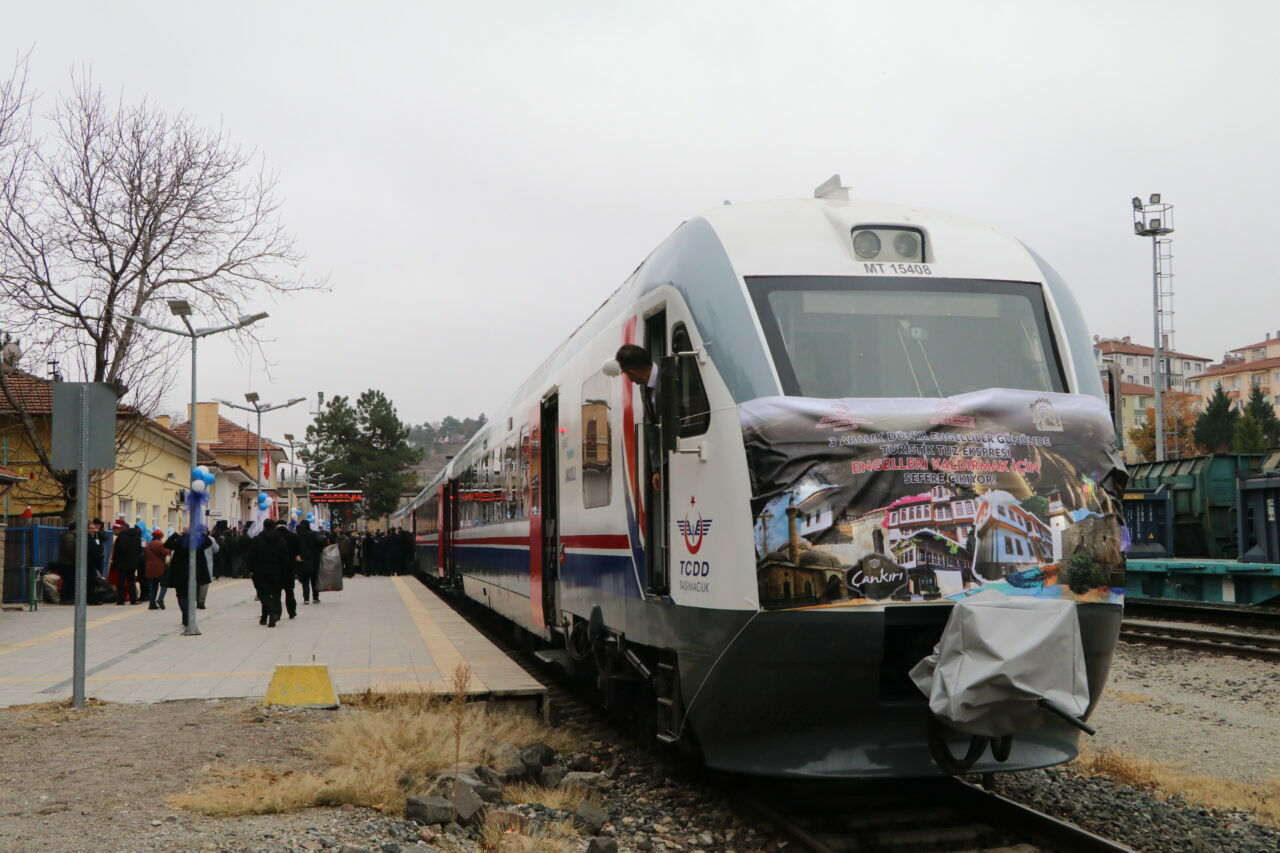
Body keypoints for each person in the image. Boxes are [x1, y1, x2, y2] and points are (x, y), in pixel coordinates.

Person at [616, 343, 663, 490]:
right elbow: (651, 428)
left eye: (626, 374)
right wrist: (658, 468)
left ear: (633, 372)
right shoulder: (644, 387)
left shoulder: (670, 375)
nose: (630, 381)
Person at [164, 526, 213, 628]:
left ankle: (185, 614)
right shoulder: (198, 541)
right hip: (196, 573)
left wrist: (176, 534)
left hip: (180, 573)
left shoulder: (180, 540)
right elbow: (209, 542)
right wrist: (201, 533)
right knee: (193, 595)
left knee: (181, 595)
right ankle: (188, 615)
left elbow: (167, 544)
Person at [248, 519, 291, 627]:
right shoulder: (281, 540)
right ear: (274, 527)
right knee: (275, 593)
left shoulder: (257, 540)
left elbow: (252, 556)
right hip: (277, 571)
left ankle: (272, 613)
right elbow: (285, 557)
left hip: (260, 570)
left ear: (264, 526)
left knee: (263, 594)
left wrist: (250, 569)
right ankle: (265, 617)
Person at [110, 519, 144, 605]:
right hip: (133, 563)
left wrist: (116, 561)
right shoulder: (136, 536)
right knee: (131, 581)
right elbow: (140, 550)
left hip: (122, 563)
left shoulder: (121, 537)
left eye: (114, 530)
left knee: (121, 582)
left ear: (120, 529)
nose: (113, 532)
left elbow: (121, 550)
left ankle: (121, 600)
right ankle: (133, 600)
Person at [295, 519, 323, 603]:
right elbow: (320, 543)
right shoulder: (313, 534)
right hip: (314, 559)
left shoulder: (299, 536)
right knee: (314, 580)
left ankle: (306, 598)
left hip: (303, 560)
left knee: (305, 581)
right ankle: (315, 597)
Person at [143, 529, 170, 610]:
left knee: (153, 586)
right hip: (159, 568)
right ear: (160, 536)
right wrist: (170, 549)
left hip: (149, 567)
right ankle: (160, 599)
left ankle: (152, 603)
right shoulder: (159, 544)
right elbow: (165, 552)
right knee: (164, 585)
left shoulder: (148, 544)